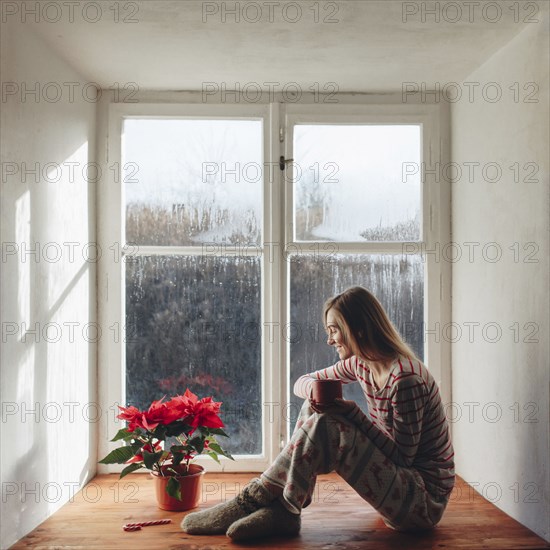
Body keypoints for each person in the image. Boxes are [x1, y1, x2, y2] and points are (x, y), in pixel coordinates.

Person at [182, 286, 455, 541]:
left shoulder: (406, 380)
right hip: (399, 486)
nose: (329, 339)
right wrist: (316, 392)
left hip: (421, 502)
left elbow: (403, 458)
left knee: (330, 423)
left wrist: (354, 415)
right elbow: (302, 382)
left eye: (334, 330)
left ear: (358, 329)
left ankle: (260, 500)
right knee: (315, 405)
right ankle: (283, 507)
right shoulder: (362, 365)